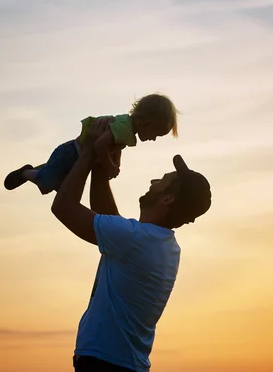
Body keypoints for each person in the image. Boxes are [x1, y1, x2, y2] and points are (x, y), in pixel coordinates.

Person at [50, 117, 212, 372]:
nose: (153, 182)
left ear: (168, 199)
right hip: (123, 364)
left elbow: (63, 207)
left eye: (162, 181)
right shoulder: (160, 245)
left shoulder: (136, 239)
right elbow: (107, 217)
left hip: (105, 363)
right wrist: (103, 162)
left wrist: (89, 152)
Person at [3, 93, 179, 194]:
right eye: (156, 134)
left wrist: (116, 163)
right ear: (147, 122)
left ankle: (41, 169)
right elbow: (101, 144)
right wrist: (109, 165)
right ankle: (27, 172)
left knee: (62, 187)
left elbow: (115, 146)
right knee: (49, 182)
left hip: (74, 155)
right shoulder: (125, 128)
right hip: (71, 154)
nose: (154, 139)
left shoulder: (127, 128)